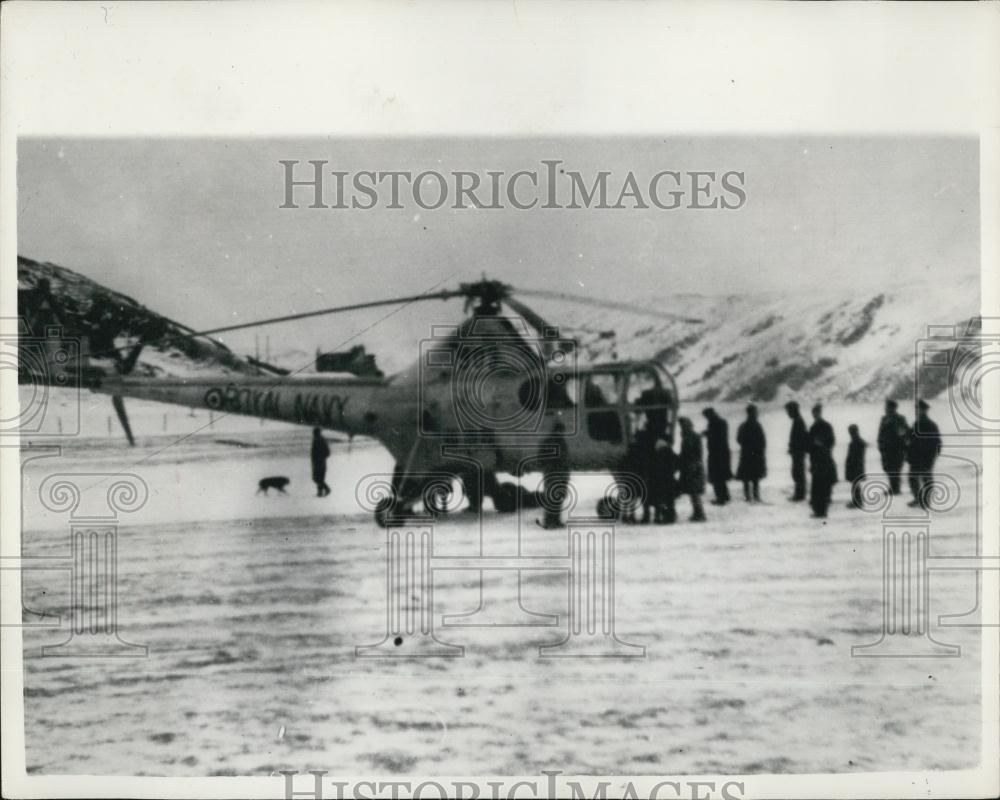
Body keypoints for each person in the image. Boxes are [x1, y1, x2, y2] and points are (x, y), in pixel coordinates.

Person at [907, 399, 942, 509]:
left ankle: (926, 501)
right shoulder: (916, 424)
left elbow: (937, 443)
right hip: (916, 456)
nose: (916, 411)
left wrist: (932, 456)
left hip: (926, 456)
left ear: (924, 411)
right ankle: (918, 499)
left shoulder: (930, 425)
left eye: (918, 409)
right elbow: (911, 438)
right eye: (916, 409)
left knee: (926, 478)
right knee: (913, 478)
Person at [807, 403, 837, 518]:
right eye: (814, 412)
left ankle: (821, 511)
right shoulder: (819, 426)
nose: (815, 415)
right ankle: (819, 510)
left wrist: (821, 445)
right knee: (819, 485)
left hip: (822, 460)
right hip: (819, 459)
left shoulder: (821, 426)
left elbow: (831, 442)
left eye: (816, 412)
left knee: (820, 485)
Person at [876, 399, 909, 495]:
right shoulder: (884, 419)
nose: (885, 409)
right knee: (888, 468)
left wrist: (903, 443)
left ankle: (896, 488)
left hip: (897, 449)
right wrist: (880, 444)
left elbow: (904, 432)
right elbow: (880, 433)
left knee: (895, 469)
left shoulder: (900, 418)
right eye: (885, 407)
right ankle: (894, 487)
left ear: (893, 408)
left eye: (887, 407)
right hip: (886, 449)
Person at [677, 417, 707, 522]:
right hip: (693, 467)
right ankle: (698, 513)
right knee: (694, 492)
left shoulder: (690, 437)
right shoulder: (691, 436)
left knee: (694, 492)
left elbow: (691, 453)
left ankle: (700, 514)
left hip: (692, 467)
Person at [541, 421, 570, 528]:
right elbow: (563, 459)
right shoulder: (560, 442)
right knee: (554, 498)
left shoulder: (549, 441)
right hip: (556, 474)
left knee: (554, 498)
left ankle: (552, 521)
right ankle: (551, 521)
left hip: (553, 474)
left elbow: (542, 459)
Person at [735, 404, 767, 502]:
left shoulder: (743, 426)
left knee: (746, 476)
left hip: (746, 453)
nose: (757, 414)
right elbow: (763, 441)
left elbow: (739, 439)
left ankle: (748, 496)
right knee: (755, 477)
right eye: (755, 412)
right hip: (756, 454)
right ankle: (755, 496)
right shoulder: (757, 426)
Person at [701, 408, 732, 505]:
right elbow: (718, 434)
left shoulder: (713, 423)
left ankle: (721, 498)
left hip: (716, 453)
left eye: (706, 416)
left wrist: (706, 434)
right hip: (723, 452)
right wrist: (706, 433)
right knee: (721, 476)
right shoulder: (721, 422)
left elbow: (715, 435)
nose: (706, 418)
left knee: (716, 477)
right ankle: (725, 496)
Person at [785, 401, 810, 502]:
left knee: (798, 473)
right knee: (798, 473)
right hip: (798, 452)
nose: (787, 414)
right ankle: (799, 493)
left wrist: (793, 448)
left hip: (798, 452)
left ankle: (799, 494)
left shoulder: (798, 422)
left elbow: (800, 439)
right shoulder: (798, 421)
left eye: (788, 411)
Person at [651, 435, 678, 524]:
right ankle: (671, 516)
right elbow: (677, 463)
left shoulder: (657, 454)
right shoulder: (670, 452)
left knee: (661, 500)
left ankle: (663, 517)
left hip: (660, 480)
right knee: (669, 500)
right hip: (669, 479)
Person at [844, 424, 867, 509]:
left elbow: (853, 456)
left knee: (855, 484)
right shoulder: (858, 441)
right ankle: (858, 500)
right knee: (856, 484)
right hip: (857, 465)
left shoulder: (856, 441)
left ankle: (857, 501)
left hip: (855, 466)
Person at [310, 427, 331, 497]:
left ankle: (325, 490)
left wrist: (318, 457)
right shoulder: (322, 440)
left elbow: (314, 453)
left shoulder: (317, 440)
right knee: (319, 478)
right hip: (322, 462)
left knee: (317, 478)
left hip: (318, 462)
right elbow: (328, 453)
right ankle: (320, 492)